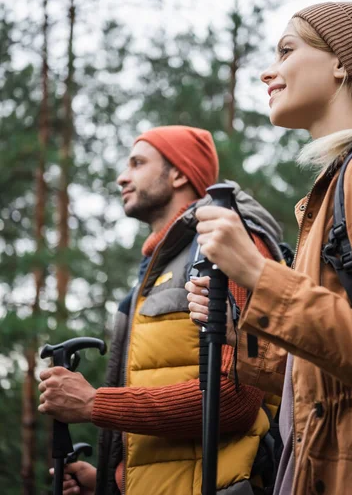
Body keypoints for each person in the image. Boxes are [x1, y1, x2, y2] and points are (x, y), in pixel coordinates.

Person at [186, 2, 352, 495]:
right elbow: (323, 380)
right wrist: (239, 332)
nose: (268, 71)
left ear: (341, 62)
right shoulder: (331, 189)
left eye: (287, 50)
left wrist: (260, 276)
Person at [38, 125, 286, 495]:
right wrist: (110, 483)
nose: (123, 177)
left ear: (179, 174)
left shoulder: (224, 246)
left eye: (138, 163)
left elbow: (235, 399)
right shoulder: (151, 276)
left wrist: (94, 403)